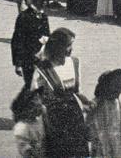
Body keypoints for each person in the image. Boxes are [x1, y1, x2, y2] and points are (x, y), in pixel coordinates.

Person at [30, 28, 89, 158]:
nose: (71, 49)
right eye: (68, 45)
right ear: (58, 47)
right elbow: (34, 97)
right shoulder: (43, 70)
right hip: (54, 119)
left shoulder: (74, 62)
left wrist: (86, 101)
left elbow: (77, 90)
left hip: (74, 115)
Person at [87, 69, 121, 158]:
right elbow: (89, 135)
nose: (118, 89)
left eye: (119, 85)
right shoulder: (95, 105)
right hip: (102, 152)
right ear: (105, 87)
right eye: (114, 85)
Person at [12, 0, 51, 85]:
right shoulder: (24, 17)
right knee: (31, 87)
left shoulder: (44, 17)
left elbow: (47, 34)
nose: (45, 3)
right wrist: (18, 64)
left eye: (47, 0)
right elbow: (17, 41)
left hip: (42, 59)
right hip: (28, 60)